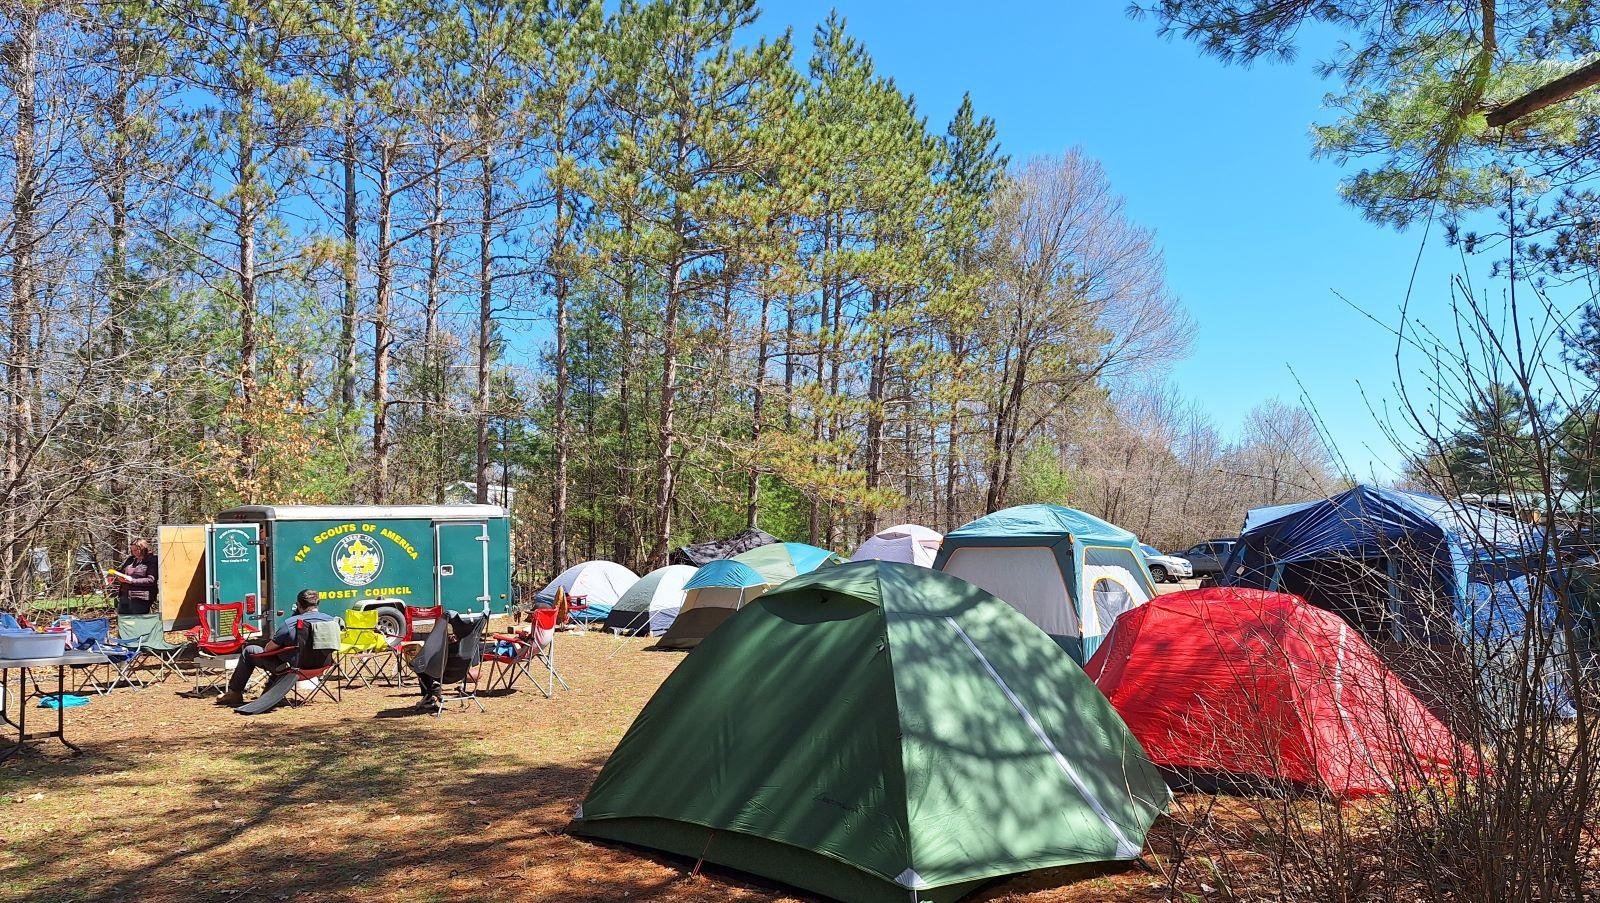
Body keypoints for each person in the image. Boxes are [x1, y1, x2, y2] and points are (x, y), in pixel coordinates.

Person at [216, 589, 335, 707]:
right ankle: (268, 692)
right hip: (322, 666)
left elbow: (268, 649)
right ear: (317, 603)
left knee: (250, 650)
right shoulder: (331, 621)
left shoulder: (292, 623)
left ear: (298, 605)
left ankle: (234, 693)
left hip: (294, 670)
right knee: (281, 660)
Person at [108, 539, 159, 615]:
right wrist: (118, 576)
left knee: (137, 623)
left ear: (143, 548)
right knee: (124, 622)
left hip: (141, 598)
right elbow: (122, 572)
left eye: (136, 550)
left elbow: (151, 580)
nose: (134, 552)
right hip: (125, 596)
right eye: (132, 550)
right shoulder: (130, 560)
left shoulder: (152, 560)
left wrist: (132, 580)